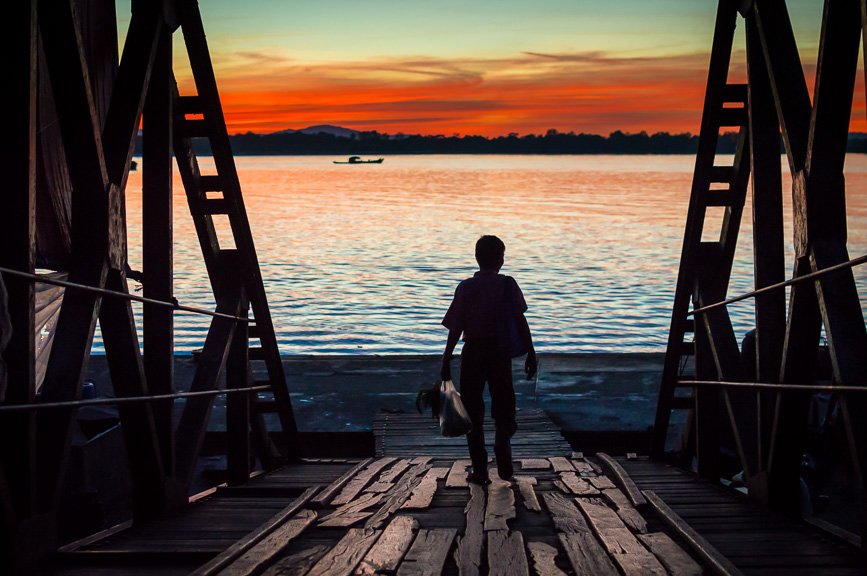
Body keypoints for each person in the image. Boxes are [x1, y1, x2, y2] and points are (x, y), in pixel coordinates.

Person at [441, 235, 537, 484]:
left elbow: (455, 327)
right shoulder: (507, 284)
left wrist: (446, 359)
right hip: (499, 353)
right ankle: (502, 442)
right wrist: (531, 352)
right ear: (500, 260)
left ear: (477, 258)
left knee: (472, 412)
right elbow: (520, 320)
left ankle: (481, 470)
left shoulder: (465, 287)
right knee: (504, 405)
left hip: (473, 352)